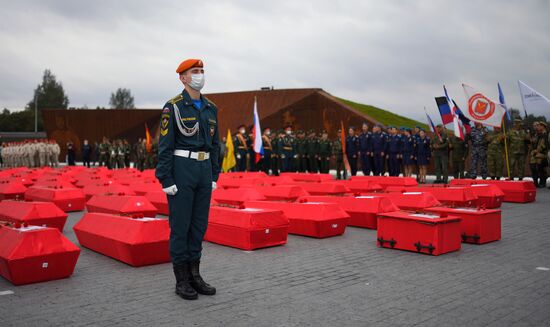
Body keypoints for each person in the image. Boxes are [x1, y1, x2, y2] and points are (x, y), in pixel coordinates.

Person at [155, 58, 219, 300]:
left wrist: (214, 174)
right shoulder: (173, 107)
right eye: (195, 71)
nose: (199, 75)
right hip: (182, 168)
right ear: (183, 77)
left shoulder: (211, 108)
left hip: (203, 170)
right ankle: (181, 280)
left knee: (199, 225)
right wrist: (166, 178)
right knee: (181, 227)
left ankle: (195, 275)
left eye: (202, 71)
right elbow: (165, 146)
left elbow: (215, 145)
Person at [529, 122, 548, 188]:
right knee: (533, 165)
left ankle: (542, 182)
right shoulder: (538, 134)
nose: (537, 127)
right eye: (537, 126)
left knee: (540, 166)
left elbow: (543, 145)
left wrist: (536, 151)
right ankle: (536, 182)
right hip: (537, 153)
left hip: (543, 153)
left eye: (539, 126)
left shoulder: (545, 134)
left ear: (543, 127)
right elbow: (535, 143)